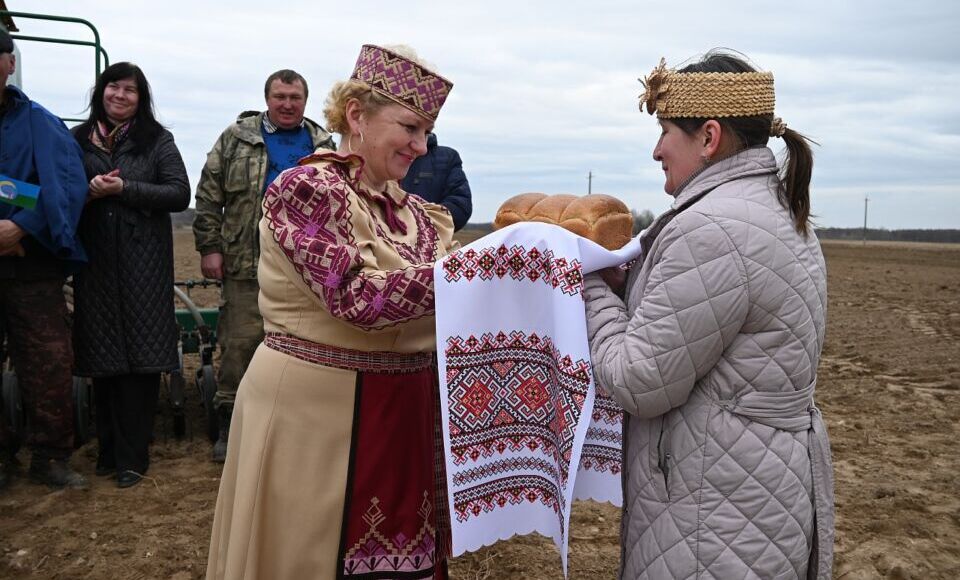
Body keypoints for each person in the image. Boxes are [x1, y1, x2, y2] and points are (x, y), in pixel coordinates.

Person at [206, 44, 456, 580]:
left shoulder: (416, 212)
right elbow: (356, 297)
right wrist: (474, 276)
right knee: (307, 558)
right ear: (357, 115)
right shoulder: (306, 190)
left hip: (402, 418)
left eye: (427, 131)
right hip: (316, 420)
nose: (421, 145)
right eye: (410, 128)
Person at [585, 50, 834, 579]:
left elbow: (639, 379)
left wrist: (588, 288)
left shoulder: (711, 229)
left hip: (712, 519)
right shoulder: (777, 213)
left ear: (709, 137)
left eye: (665, 131)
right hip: (758, 495)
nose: (657, 150)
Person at [193, 69, 335, 462]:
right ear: (267, 99)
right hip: (246, 262)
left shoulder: (323, 145)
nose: (287, 104)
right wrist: (210, 247)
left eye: (294, 97)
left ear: (305, 101)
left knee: (305, 345)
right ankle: (231, 425)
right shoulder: (237, 138)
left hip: (304, 268)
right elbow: (208, 196)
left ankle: (295, 426)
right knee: (240, 344)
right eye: (280, 97)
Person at [71, 62, 190, 489]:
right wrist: (87, 192)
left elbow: (179, 192)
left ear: (141, 98)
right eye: (113, 87)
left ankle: (133, 457)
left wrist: (124, 189)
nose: (120, 95)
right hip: (96, 262)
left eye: (130, 90)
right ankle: (107, 452)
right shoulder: (77, 139)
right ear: (100, 91)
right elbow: (60, 191)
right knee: (103, 359)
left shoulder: (156, 140)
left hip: (145, 264)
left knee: (140, 362)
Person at [0, 29, 89, 491]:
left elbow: (67, 184)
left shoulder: (41, 123)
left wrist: (21, 227)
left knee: (49, 362)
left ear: (9, 63)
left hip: (31, 267)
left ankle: (50, 457)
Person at [400, 132, 472, 230]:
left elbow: (460, 205)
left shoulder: (448, 157)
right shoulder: (381, 154)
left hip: (431, 235)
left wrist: (422, 223)